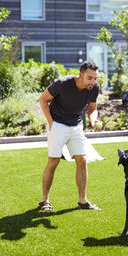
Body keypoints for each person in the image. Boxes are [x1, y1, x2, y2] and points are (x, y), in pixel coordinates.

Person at [38, 60, 102, 211]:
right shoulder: (62, 83)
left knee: (82, 160)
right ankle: (44, 201)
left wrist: (94, 121)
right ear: (80, 75)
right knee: (53, 161)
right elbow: (43, 99)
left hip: (76, 125)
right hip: (57, 124)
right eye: (89, 78)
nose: (93, 81)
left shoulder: (94, 88)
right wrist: (51, 123)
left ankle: (83, 201)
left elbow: (92, 108)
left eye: (95, 78)